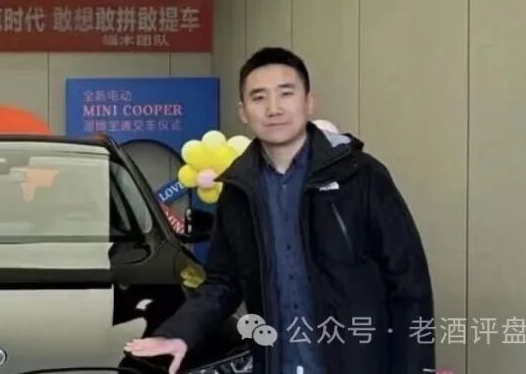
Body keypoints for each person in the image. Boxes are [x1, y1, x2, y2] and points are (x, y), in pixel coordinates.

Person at [125, 47, 435, 374]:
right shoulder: (238, 189)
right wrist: (179, 333)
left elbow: (408, 282)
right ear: (243, 112)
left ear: (308, 102)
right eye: (259, 98)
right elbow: (222, 282)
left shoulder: (359, 175)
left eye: (286, 93)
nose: (273, 108)